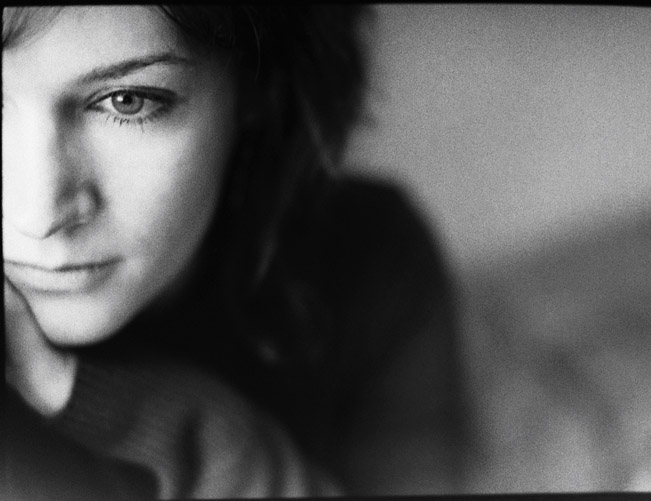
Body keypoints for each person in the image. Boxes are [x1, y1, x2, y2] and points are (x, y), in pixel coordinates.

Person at [3, 5, 469, 498]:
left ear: (258, 84)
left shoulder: (370, 259)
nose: (38, 215)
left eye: (127, 101)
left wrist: (184, 430)